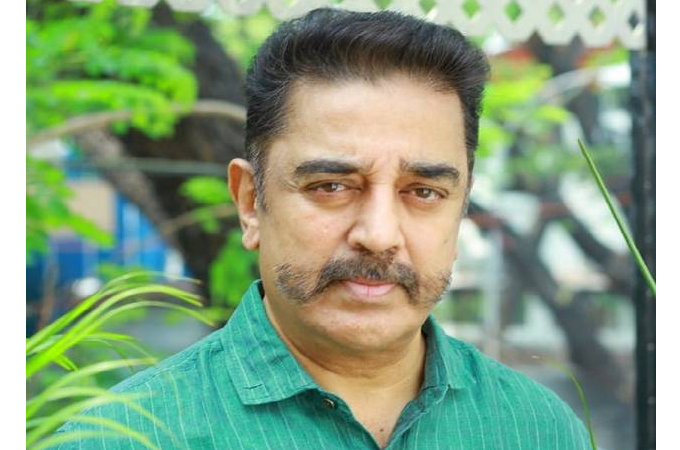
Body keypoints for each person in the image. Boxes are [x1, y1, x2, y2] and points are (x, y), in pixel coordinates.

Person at [50, 8, 591, 450]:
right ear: (250, 202)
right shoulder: (126, 439)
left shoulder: (537, 429)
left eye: (423, 192)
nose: (379, 235)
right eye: (332, 186)